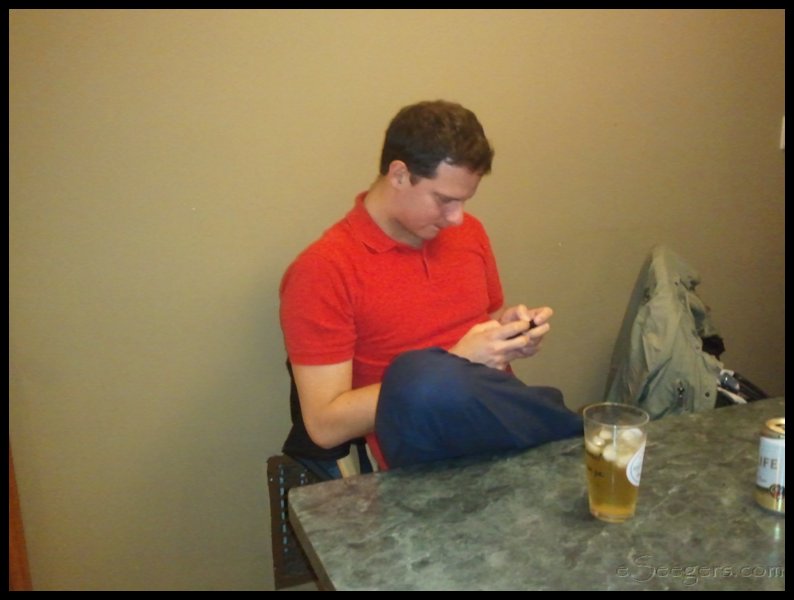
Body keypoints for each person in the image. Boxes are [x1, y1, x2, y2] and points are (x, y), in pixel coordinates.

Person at [279, 100, 581, 479]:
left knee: (435, 375)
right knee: (421, 376)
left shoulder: (469, 234)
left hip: (501, 430)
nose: (457, 218)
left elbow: (479, 330)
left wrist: (508, 335)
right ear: (400, 175)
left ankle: (574, 435)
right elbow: (324, 427)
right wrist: (458, 360)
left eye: (464, 201)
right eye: (444, 200)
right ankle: (576, 431)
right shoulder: (324, 270)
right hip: (425, 454)